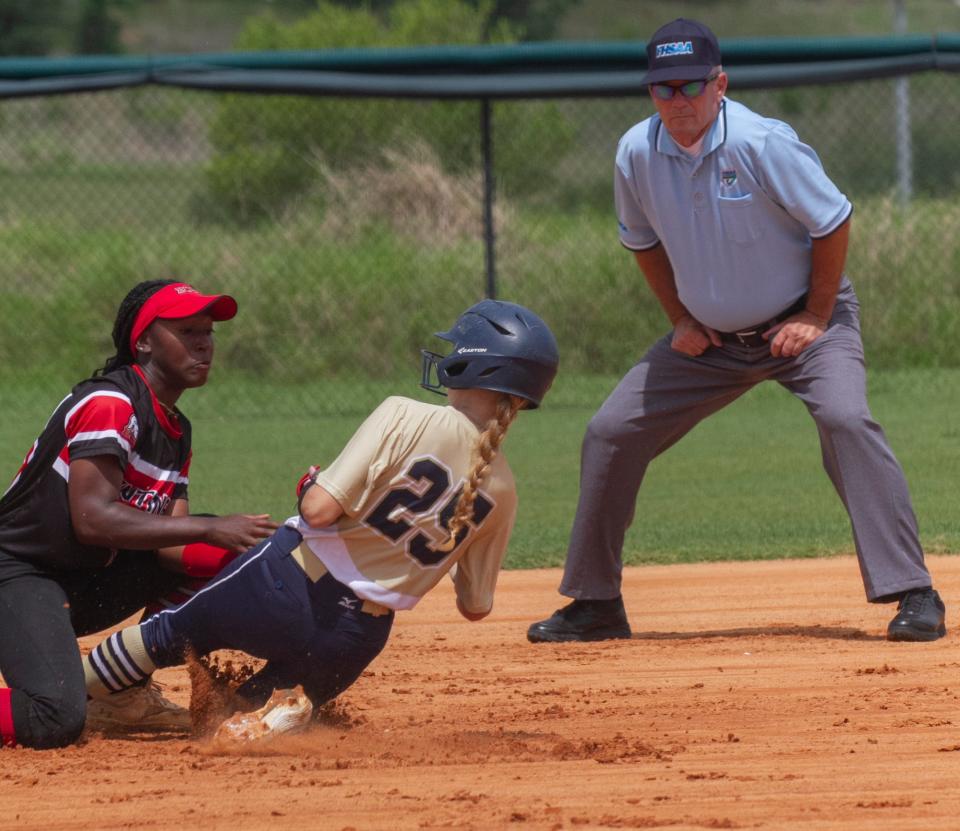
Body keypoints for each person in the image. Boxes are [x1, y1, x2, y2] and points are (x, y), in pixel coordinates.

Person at [527, 18, 945, 645]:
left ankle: (914, 592)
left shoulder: (762, 143)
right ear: (650, 93)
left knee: (845, 420)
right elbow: (641, 243)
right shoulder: (636, 154)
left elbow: (833, 221)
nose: (678, 101)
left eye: (691, 86)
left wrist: (815, 315)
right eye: (663, 88)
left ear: (719, 83)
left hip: (805, 326)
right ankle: (595, 603)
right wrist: (680, 320)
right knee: (610, 431)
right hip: (712, 345)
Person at [81, 300, 560, 741]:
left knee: (163, 635)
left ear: (472, 364)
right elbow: (475, 606)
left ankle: (72, 694)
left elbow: (319, 510)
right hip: (354, 640)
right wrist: (449, 539)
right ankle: (273, 716)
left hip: (287, 581)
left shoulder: (405, 413)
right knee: (233, 712)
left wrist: (312, 482)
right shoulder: (503, 492)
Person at [0, 280, 277, 749]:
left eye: (208, 331)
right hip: (19, 574)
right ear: (143, 341)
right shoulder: (111, 403)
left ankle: (120, 694)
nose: (204, 342)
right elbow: (92, 519)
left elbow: (172, 545)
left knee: (228, 561)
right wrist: (212, 526)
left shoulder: (174, 427)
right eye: (187, 330)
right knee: (55, 718)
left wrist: (271, 550)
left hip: (80, 581)